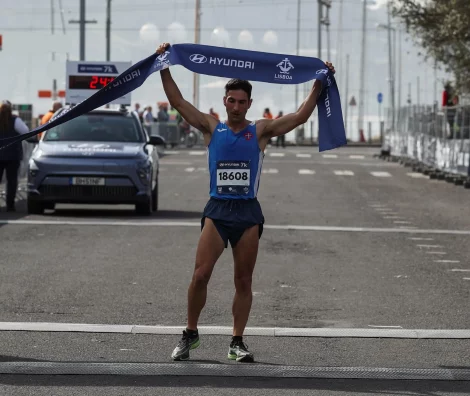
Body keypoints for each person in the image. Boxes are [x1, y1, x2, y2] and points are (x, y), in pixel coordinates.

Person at [156, 42, 335, 363]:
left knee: (243, 279)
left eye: (242, 102)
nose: (236, 106)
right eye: (231, 101)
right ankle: (190, 333)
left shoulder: (261, 131)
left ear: (249, 103)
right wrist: (163, 65)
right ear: (224, 102)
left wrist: (320, 81)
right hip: (217, 210)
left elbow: (300, 116)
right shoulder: (212, 127)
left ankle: (237, 341)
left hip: (248, 212)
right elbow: (178, 102)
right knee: (200, 275)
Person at [0, 100, 29, 212]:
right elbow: (25, 131)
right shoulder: (15, 120)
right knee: (11, 181)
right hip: (13, 155)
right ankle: (10, 205)